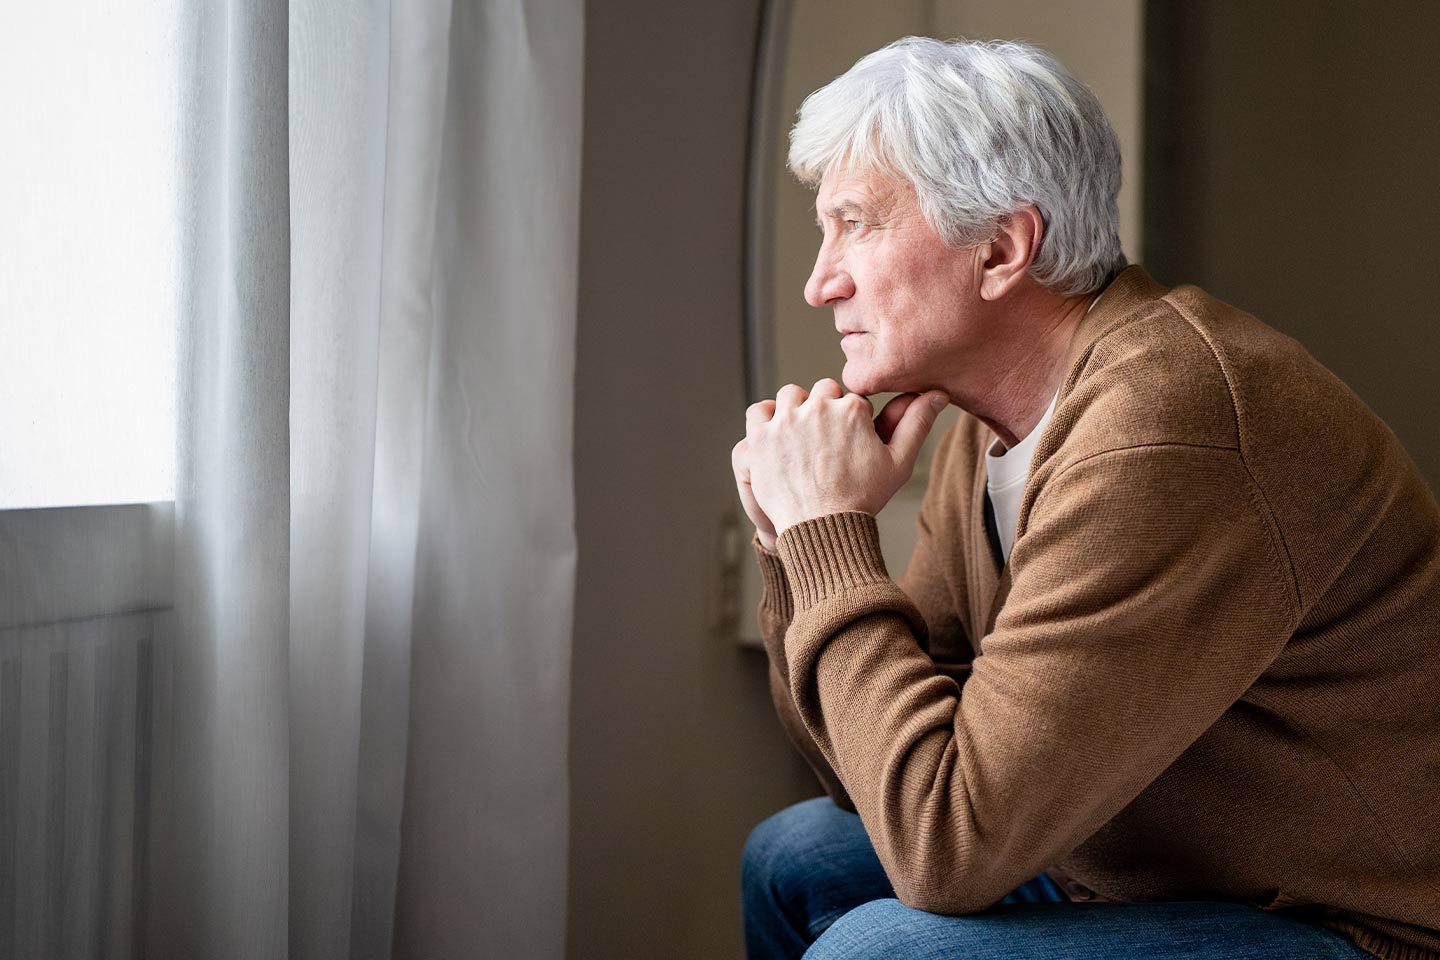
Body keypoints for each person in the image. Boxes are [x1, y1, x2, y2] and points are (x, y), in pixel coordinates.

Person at [731, 36, 1440, 960]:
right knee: (792, 858)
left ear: (1000, 249)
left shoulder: (1169, 423)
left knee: (886, 949)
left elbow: (944, 850)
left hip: (1348, 921)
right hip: (1125, 862)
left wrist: (831, 532)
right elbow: (863, 775)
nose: (820, 282)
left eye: (855, 225)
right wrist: (792, 539)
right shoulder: (982, 425)